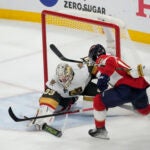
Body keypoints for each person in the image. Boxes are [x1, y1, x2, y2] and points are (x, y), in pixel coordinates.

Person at [87, 44, 150, 139]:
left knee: (98, 101)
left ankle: (100, 131)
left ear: (94, 56)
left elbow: (109, 63)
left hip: (126, 89)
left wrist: (104, 76)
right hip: (140, 87)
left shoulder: (103, 58)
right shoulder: (115, 59)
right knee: (144, 111)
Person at [29, 62, 98, 130]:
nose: (63, 81)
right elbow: (48, 96)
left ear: (70, 73)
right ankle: (42, 117)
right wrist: (43, 113)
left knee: (103, 90)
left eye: (65, 78)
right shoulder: (54, 81)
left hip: (86, 87)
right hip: (68, 96)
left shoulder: (81, 70)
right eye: (61, 79)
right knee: (57, 108)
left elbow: (93, 66)